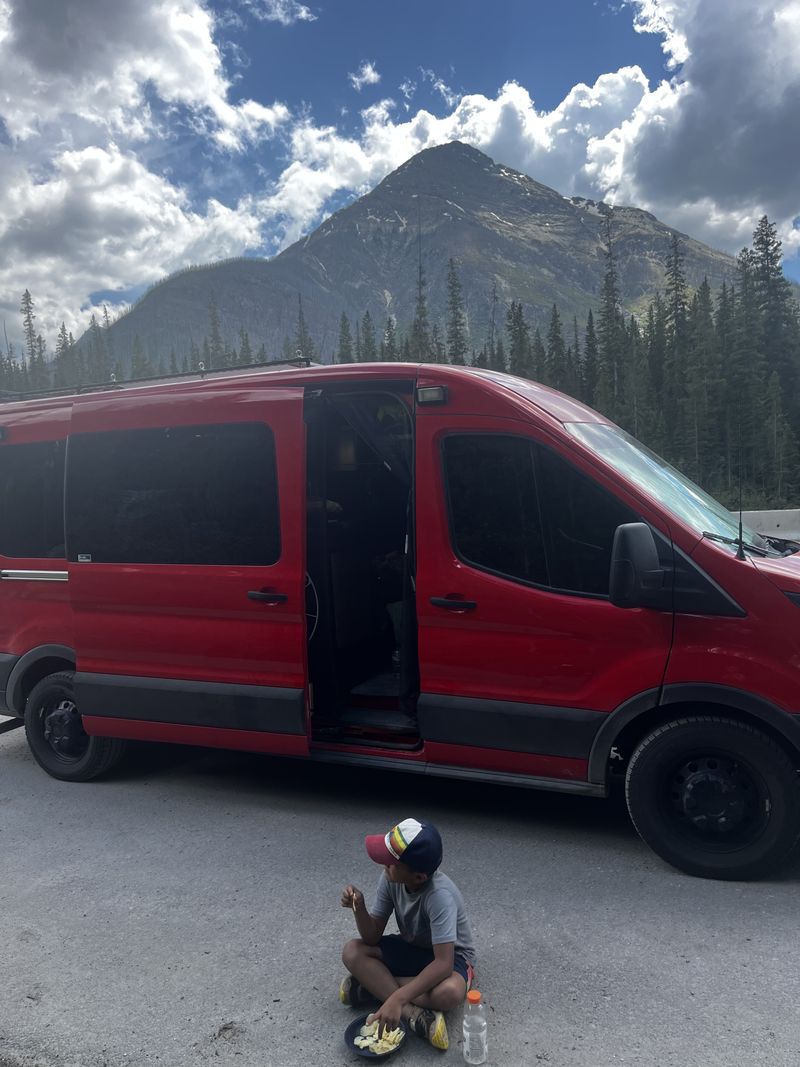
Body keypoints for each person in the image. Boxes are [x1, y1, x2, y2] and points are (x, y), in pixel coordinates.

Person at [339, 817, 476, 1051]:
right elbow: (371, 937)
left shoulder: (439, 896)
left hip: (451, 957)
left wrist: (397, 996)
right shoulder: (391, 878)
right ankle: (414, 1015)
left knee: (450, 993)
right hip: (414, 948)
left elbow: (444, 964)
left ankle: (374, 987)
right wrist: (359, 908)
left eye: (391, 862)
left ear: (419, 877)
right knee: (352, 951)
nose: (384, 864)